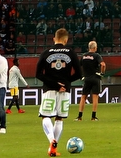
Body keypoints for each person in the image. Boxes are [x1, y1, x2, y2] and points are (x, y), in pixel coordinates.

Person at [35, 28, 82, 157]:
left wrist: (54, 84)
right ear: (66, 40)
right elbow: (79, 73)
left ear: (54, 39)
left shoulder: (46, 52)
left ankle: (52, 141)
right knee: (59, 118)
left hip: (49, 89)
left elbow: (38, 74)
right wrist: (66, 83)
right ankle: (54, 149)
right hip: (65, 91)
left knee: (46, 116)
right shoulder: (71, 53)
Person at [76, 40, 105, 120]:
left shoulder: (84, 56)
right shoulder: (97, 55)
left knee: (83, 97)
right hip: (95, 78)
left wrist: (81, 75)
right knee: (95, 97)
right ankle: (93, 116)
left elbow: (78, 66)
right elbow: (103, 65)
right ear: (95, 48)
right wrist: (102, 73)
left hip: (87, 78)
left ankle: (79, 116)